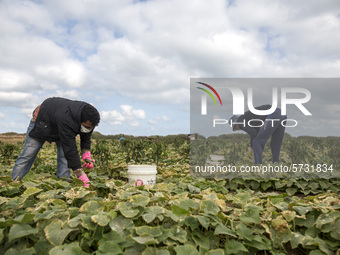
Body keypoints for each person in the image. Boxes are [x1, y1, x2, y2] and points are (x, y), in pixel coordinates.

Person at [11, 97, 100, 187]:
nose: (89, 129)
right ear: (80, 120)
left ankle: (62, 186)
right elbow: (70, 148)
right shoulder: (66, 119)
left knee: (64, 158)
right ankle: (13, 183)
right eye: (87, 127)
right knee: (28, 155)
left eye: (90, 127)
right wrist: (79, 174)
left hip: (59, 123)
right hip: (42, 123)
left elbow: (85, 137)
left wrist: (86, 154)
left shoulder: (89, 119)